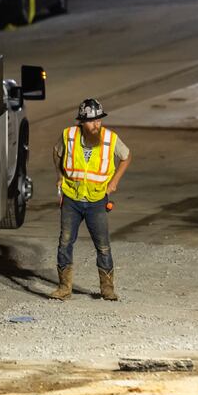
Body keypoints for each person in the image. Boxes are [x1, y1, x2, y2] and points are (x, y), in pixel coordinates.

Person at [49, 98, 132, 301]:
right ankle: (64, 288)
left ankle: (107, 289)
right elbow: (56, 152)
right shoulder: (68, 135)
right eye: (92, 121)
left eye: (99, 120)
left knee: (103, 245)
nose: (97, 125)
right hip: (72, 198)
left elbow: (126, 156)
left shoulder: (110, 139)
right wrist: (60, 175)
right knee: (65, 243)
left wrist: (113, 182)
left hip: (96, 200)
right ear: (82, 122)